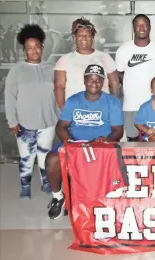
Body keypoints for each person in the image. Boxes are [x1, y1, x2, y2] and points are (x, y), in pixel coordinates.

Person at [45, 64, 124, 220]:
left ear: (103, 83)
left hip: (100, 145)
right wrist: (73, 142)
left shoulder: (112, 102)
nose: (94, 83)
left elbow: (118, 131)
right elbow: (61, 127)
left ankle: (107, 198)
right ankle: (58, 197)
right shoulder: (74, 101)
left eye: (98, 80)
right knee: (52, 159)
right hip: (75, 142)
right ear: (84, 80)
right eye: (90, 79)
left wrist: (106, 140)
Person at [4, 24, 59, 199]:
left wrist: (58, 116)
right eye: (29, 48)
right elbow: (9, 97)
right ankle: (25, 186)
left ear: (42, 47)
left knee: (44, 154)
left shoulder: (51, 69)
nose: (33, 51)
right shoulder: (16, 70)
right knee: (26, 157)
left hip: (48, 121)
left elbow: (58, 94)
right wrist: (12, 121)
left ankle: (46, 182)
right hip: (24, 123)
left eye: (36, 47)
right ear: (24, 50)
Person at [115, 14, 155, 141]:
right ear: (133, 28)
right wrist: (131, 84)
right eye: (138, 24)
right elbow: (119, 73)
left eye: (144, 24)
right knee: (132, 141)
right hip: (130, 105)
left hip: (154, 106)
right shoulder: (123, 50)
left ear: (149, 27)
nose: (141, 27)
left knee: (153, 140)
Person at [54, 17, 120, 110]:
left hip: (102, 110)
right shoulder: (64, 60)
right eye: (80, 35)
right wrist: (65, 111)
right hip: (75, 111)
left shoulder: (105, 57)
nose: (84, 38)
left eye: (88, 35)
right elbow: (59, 87)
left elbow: (114, 83)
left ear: (93, 38)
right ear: (75, 37)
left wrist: (113, 107)